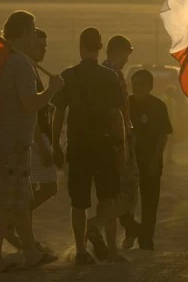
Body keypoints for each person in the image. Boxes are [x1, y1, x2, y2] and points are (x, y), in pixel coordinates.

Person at [0, 10, 64, 273]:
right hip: (13, 142)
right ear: (24, 32)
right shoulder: (18, 63)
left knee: (20, 201)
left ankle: (30, 252)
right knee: (5, 201)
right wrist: (52, 90)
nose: (34, 34)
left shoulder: (4, 58)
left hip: (6, 139)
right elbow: (30, 103)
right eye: (32, 29)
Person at [52, 27, 126, 264]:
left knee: (79, 201)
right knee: (109, 198)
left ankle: (82, 251)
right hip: (104, 144)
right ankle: (111, 250)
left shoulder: (68, 76)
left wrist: (55, 144)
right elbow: (117, 115)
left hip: (78, 145)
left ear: (81, 46)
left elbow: (58, 114)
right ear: (100, 47)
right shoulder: (110, 77)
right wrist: (121, 147)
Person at [4, 29, 59, 255]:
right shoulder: (27, 69)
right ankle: (14, 225)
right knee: (46, 188)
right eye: (41, 45)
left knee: (36, 190)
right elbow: (31, 110)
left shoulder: (32, 69)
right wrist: (42, 145)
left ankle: (20, 230)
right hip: (33, 139)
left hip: (35, 138)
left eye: (45, 45)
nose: (44, 49)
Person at [86, 35, 140, 256]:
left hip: (106, 140)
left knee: (110, 194)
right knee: (128, 195)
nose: (128, 58)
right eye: (127, 52)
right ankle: (95, 225)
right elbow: (116, 113)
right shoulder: (113, 75)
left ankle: (108, 243)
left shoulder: (101, 72)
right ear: (119, 51)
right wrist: (123, 143)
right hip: (119, 140)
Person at [128, 68, 173, 250]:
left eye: (142, 84)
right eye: (135, 84)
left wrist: (155, 161)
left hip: (151, 162)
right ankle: (134, 230)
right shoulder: (126, 104)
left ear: (151, 86)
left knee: (149, 204)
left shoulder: (159, 106)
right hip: (129, 162)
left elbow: (163, 136)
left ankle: (146, 241)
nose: (138, 88)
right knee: (124, 204)